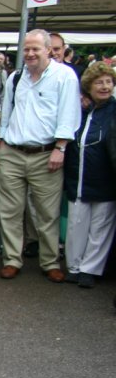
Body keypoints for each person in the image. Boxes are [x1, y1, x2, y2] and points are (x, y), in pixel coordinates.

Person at [0, 29, 82, 282]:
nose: (30, 53)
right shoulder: (16, 76)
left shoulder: (64, 76)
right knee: (10, 211)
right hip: (12, 152)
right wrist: (2, 143)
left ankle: (49, 262)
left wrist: (60, 147)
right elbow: (7, 111)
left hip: (46, 153)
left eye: (36, 49)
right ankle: (12, 259)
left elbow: (69, 114)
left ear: (48, 49)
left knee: (47, 213)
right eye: (27, 49)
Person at [62, 62, 116, 288]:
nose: (104, 87)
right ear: (89, 87)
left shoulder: (113, 110)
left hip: (105, 180)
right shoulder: (82, 110)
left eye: (108, 82)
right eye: (99, 82)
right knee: (76, 225)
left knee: (100, 228)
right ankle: (73, 267)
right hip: (79, 178)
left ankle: (89, 270)